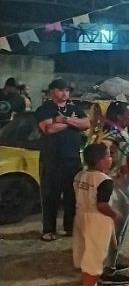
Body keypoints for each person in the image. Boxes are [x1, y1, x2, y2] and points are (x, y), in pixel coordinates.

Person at [89, 101, 129, 285]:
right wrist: (113, 173)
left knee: (122, 224)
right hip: (118, 184)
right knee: (114, 227)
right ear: (119, 117)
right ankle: (107, 269)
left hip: (123, 183)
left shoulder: (116, 132)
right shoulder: (112, 135)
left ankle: (112, 261)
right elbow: (99, 158)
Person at [36, 78, 90, 241]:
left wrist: (64, 120)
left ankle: (69, 227)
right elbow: (48, 128)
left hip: (72, 159)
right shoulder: (45, 109)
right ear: (52, 91)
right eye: (61, 90)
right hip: (52, 159)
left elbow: (86, 123)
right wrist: (72, 122)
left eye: (67, 90)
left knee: (72, 196)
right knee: (50, 196)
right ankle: (49, 230)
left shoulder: (75, 108)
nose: (64, 93)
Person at [71, 143, 118, 286]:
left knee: (86, 253)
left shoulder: (80, 175)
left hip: (81, 216)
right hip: (97, 220)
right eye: (108, 155)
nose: (111, 158)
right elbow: (102, 205)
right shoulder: (104, 181)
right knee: (95, 257)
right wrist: (115, 214)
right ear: (101, 160)